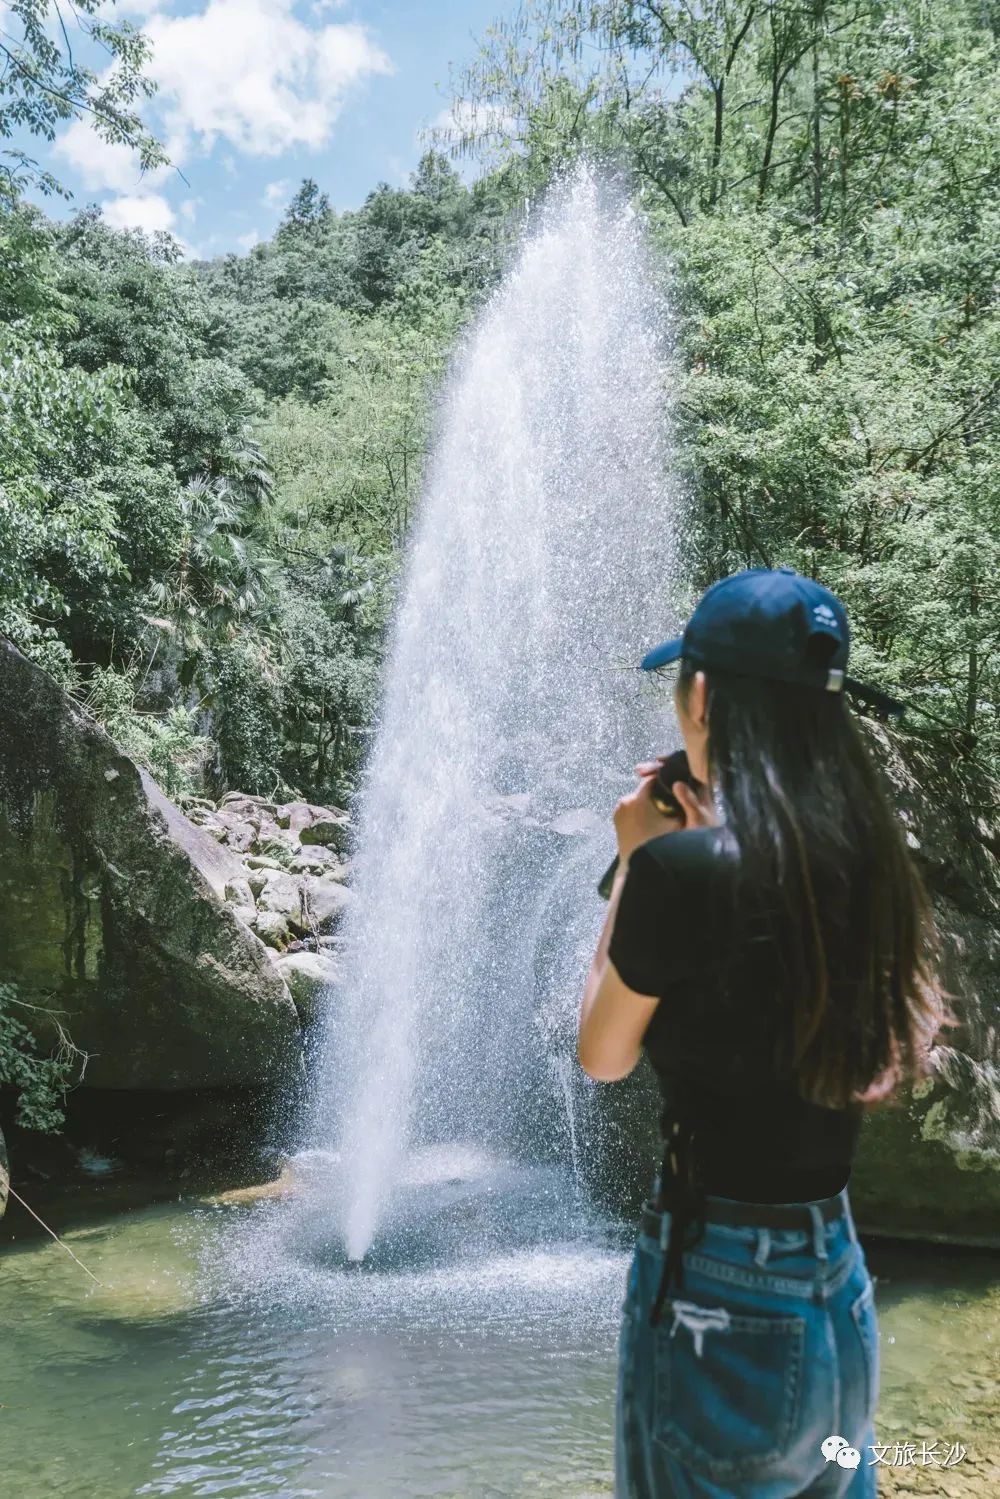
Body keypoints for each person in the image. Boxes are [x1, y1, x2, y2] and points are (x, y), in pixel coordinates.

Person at [578, 567, 948, 1498]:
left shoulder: (678, 872)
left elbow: (601, 1051)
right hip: (838, 1288)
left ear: (701, 697)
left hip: (716, 1295)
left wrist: (637, 858)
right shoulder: (870, 868)